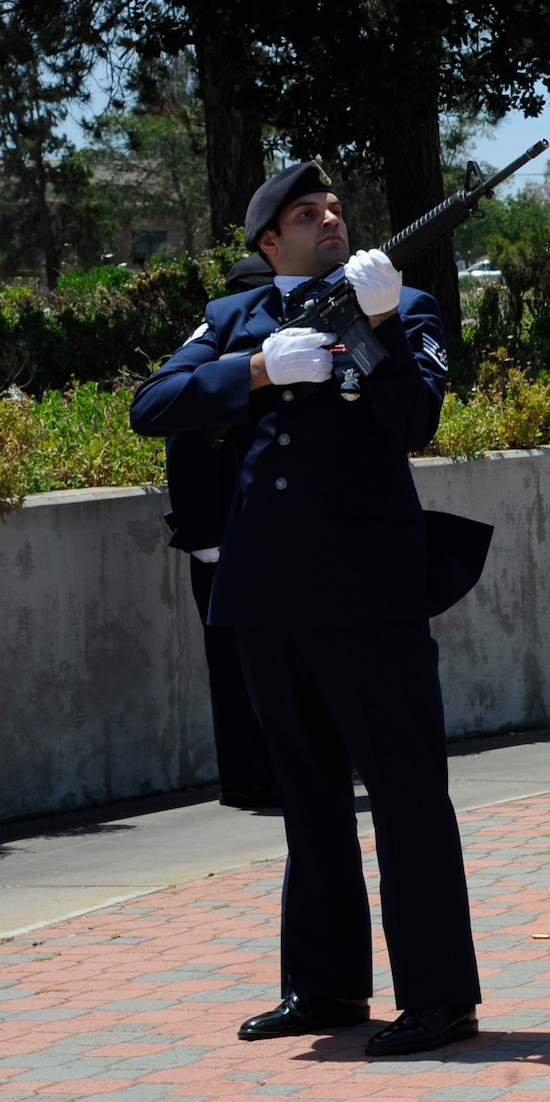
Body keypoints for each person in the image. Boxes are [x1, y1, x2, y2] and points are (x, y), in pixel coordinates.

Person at [130, 162, 481, 1056]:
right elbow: (152, 405)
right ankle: (323, 986)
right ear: (267, 241)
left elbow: (416, 423)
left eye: (335, 207)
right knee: (308, 798)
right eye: (306, 211)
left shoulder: (401, 304)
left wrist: (384, 323)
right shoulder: (231, 318)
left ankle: (439, 995)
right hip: (266, 590)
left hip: (368, 588)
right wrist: (253, 369)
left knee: (405, 794)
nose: (329, 218)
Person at [163, 254, 280, 811]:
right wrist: (207, 538)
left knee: (253, 671)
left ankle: (261, 774)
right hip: (223, 543)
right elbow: (184, 444)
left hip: (239, 539)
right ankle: (250, 779)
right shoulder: (229, 362)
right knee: (238, 674)